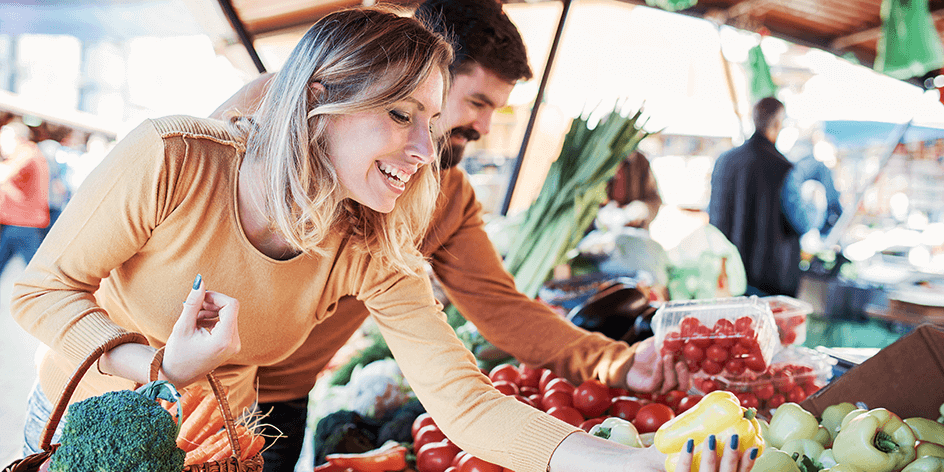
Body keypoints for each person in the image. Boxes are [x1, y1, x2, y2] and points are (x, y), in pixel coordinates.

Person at [11, 7, 754, 472]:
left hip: (222, 444)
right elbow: (41, 292)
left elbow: (464, 401)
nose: (427, 148)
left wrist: (636, 466)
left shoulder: (373, 242)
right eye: (402, 115)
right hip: (86, 415)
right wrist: (160, 364)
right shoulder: (174, 155)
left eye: (432, 120)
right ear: (318, 99)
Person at [214, 0, 692, 469]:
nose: (483, 126)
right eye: (477, 102)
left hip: (278, 404)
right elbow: (189, 218)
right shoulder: (273, 105)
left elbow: (500, 309)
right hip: (186, 382)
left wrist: (618, 364)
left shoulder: (444, 197)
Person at [708, 96, 800, 297]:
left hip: (727, 274)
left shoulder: (724, 161)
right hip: (769, 281)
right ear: (777, 124)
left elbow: (714, 217)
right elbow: (798, 222)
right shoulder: (784, 168)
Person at [0, 121, 49, 278]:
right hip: (21, 222)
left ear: (18, 139)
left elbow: (3, 175)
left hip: (23, 223)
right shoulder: (31, 152)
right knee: (36, 274)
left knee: (37, 277)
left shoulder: (25, 152)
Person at [605, 150, 663, 229]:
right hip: (596, 232)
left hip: (632, 232)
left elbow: (655, 201)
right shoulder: (600, 157)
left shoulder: (639, 161)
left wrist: (641, 210)